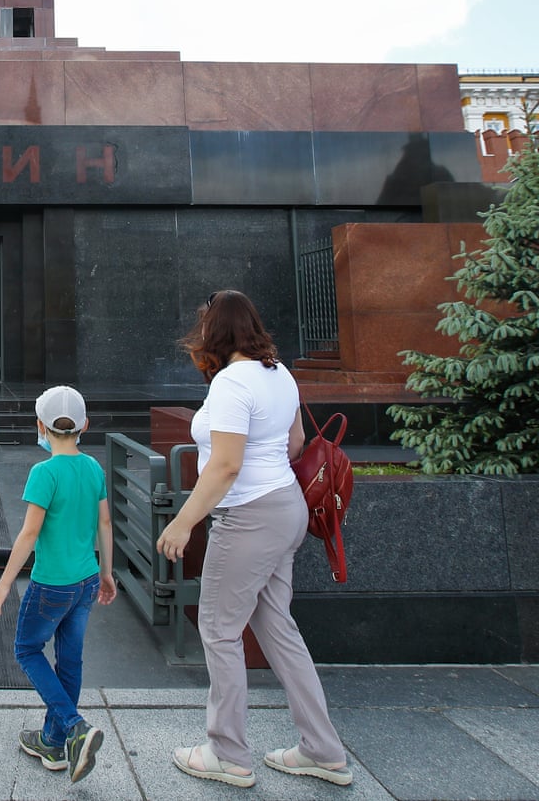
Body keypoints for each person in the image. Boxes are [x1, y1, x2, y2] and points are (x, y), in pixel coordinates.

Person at [155, 290, 352, 788]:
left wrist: (183, 522)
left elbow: (225, 466)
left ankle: (227, 753)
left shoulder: (231, 383)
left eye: (204, 327)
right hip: (285, 508)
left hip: (247, 517)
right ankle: (323, 749)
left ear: (216, 331)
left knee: (219, 630)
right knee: (278, 627)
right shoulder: (279, 373)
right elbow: (295, 443)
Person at [0, 385, 117, 785]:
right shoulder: (93, 468)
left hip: (51, 585)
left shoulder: (43, 473)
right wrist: (107, 572)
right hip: (86, 580)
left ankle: (74, 727)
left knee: (27, 649)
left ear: (40, 426)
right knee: (70, 661)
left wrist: (5, 582)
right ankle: (53, 742)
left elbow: (29, 534)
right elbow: (105, 523)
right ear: (85, 426)